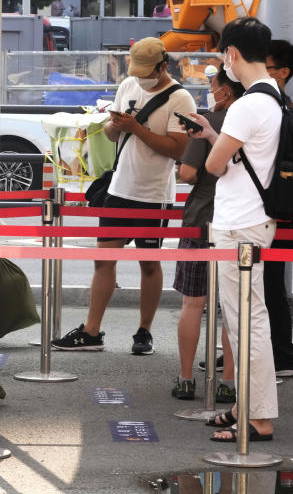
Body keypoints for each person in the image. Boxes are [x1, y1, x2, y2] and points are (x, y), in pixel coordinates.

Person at [52, 37, 195, 354]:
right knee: (103, 261)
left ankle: (144, 331)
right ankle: (91, 330)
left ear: (163, 66)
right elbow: (111, 134)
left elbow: (178, 149)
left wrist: (136, 127)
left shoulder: (181, 99)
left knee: (149, 263)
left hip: (154, 193)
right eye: (138, 71)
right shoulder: (129, 85)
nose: (142, 78)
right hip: (118, 188)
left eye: (148, 72)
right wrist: (116, 127)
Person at [189, 16, 278, 442]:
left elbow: (213, 165)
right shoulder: (272, 95)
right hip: (255, 219)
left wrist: (215, 143)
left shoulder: (247, 105)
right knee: (249, 318)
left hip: (239, 224)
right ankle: (247, 406)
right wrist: (213, 134)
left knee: (247, 322)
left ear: (232, 54)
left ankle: (257, 419)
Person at [171, 68, 243, 402]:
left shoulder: (209, 121)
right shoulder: (251, 121)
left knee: (192, 303)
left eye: (211, 86)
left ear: (225, 92)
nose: (209, 91)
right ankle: (228, 381)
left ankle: (186, 379)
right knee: (232, 308)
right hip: (239, 223)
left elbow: (187, 173)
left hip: (202, 219)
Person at [263, 39, 293, 378]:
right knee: (270, 283)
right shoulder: (285, 106)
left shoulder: (275, 109)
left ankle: (278, 356)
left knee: (267, 284)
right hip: (282, 207)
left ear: (283, 72)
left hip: (269, 209)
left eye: (268, 67)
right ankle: (280, 354)